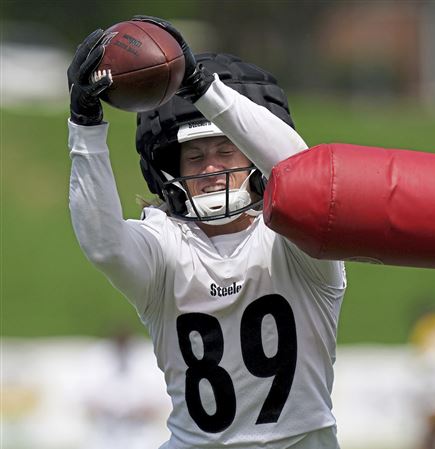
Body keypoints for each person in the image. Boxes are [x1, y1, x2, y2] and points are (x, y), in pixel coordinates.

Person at [67, 16, 346, 449]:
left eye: (224, 150)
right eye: (194, 157)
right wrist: (84, 127)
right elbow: (104, 245)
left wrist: (201, 87)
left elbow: (300, 173)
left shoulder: (293, 242)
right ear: (170, 170)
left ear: (255, 156)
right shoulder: (164, 246)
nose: (212, 169)